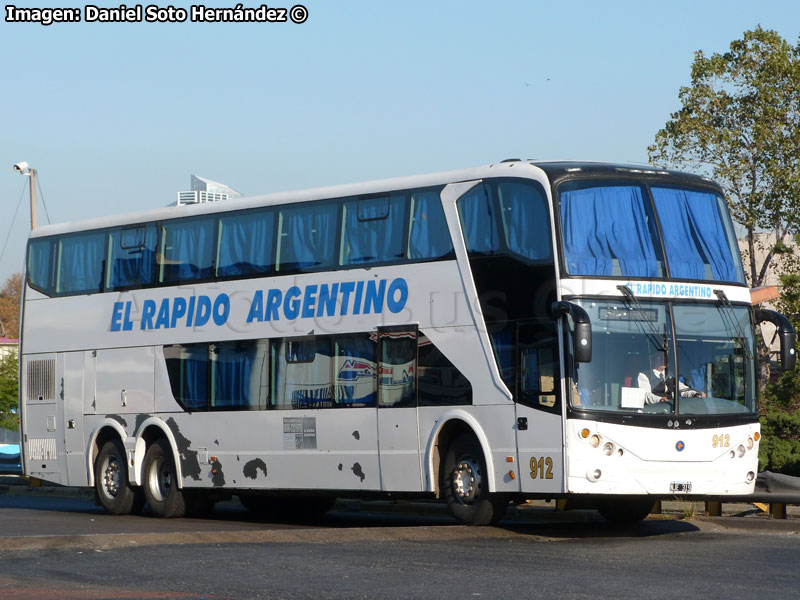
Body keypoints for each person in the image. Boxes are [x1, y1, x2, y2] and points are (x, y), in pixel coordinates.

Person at [638, 353, 705, 404]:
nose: (663, 360)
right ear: (651, 360)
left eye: (664, 358)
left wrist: (695, 393)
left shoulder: (671, 375)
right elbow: (646, 395)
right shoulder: (643, 375)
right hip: (653, 410)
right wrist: (660, 399)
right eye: (659, 358)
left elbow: (682, 388)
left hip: (670, 410)